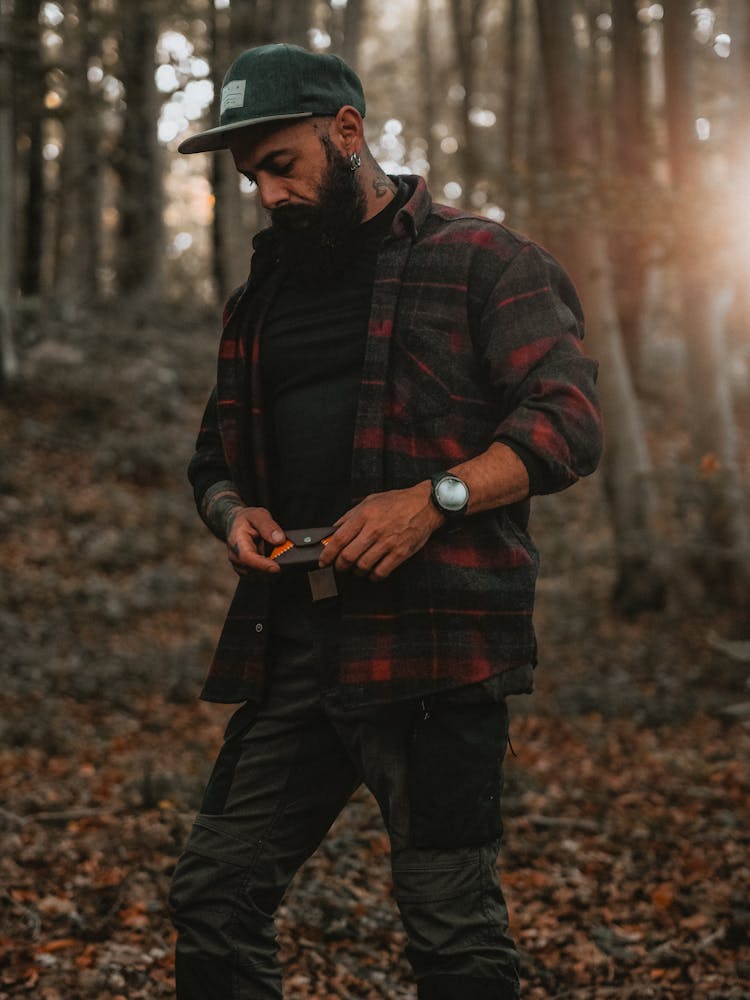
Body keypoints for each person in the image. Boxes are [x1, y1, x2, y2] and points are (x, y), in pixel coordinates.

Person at [169, 43, 602, 1000]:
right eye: (251, 178)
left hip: (436, 659)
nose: (268, 194)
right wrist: (234, 513)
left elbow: (567, 423)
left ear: (348, 131)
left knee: (453, 935)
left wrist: (433, 500)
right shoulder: (259, 302)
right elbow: (213, 460)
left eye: (281, 164)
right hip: (295, 649)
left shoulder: (485, 261)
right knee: (212, 898)